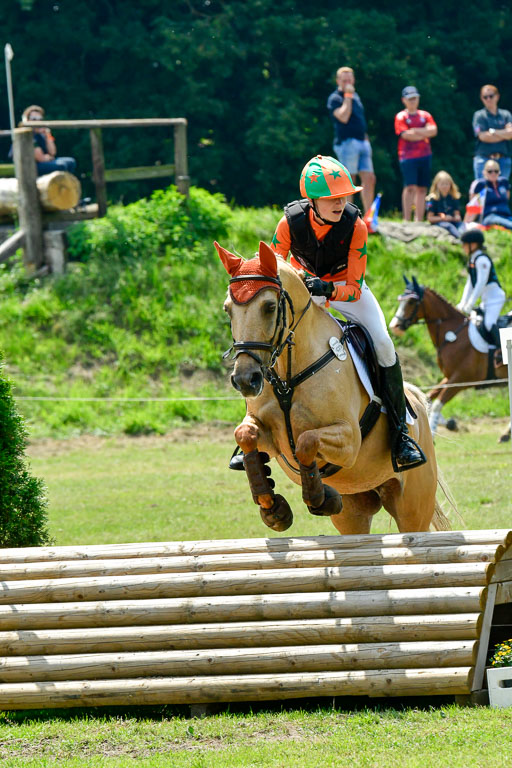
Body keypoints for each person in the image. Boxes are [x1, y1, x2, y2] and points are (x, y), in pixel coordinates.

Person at [270, 154, 426, 471]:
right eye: (332, 198)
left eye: (344, 196)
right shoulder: (288, 223)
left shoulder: (356, 226)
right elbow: (275, 267)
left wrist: (328, 290)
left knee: (383, 342)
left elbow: (354, 287)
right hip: (305, 290)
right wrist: (300, 285)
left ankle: (399, 436)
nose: (340, 203)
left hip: (344, 290)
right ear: (312, 200)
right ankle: (252, 427)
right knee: (267, 337)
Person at [326, 67, 376, 213]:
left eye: (350, 79)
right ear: (338, 81)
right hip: (346, 143)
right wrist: (347, 95)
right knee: (349, 180)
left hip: (362, 142)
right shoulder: (335, 98)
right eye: (344, 80)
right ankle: (349, 214)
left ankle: (368, 216)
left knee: (369, 178)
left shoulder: (356, 96)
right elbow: (343, 116)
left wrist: (366, 138)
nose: (348, 82)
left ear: (353, 80)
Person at [457, 229, 505, 354]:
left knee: (489, 324)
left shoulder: (482, 260)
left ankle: (503, 352)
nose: (463, 247)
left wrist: (470, 305)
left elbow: (480, 284)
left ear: (473, 244)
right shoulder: (472, 260)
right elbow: (470, 284)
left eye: (464, 244)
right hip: (486, 300)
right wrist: (462, 304)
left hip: (495, 299)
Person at [394, 86, 438, 222]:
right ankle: (407, 219)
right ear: (404, 100)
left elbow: (433, 131)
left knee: (422, 188)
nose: (413, 101)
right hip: (407, 156)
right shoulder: (401, 116)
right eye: (410, 99)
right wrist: (423, 132)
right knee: (410, 186)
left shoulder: (425, 115)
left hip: (425, 155)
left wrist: (415, 131)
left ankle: (419, 219)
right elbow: (406, 135)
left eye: (415, 98)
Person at [21, 105, 76, 176]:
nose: (37, 121)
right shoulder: (27, 135)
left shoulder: (41, 134)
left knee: (71, 162)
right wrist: (47, 158)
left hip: (42, 162)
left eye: (40, 119)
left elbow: (53, 152)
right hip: (29, 166)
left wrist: (47, 134)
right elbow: (40, 158)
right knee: (61, 166)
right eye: (34, 119)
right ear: (27, 120)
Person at [472, 85, 512, 181]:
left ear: (497, 96)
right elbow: (483, 137)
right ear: (482, 98)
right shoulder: (479, 116)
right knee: (482, 191)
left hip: (503, 160)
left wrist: (493, 132)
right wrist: (503, 134)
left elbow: (510, 134)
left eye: (491, 96)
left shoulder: (506, 115)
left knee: (501, 193)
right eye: (485, 97)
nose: (488, 99)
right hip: (483, 159)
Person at [469, 159, 512, 230]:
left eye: (496, 171)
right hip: (489, 216)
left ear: (499, 172)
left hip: (506, 215)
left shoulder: (504, 182)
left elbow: (507, 199)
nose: (493, 173)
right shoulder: (480, 185)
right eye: (490, 171)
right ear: (484, 172)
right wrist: (468, 222)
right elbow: (473, 206)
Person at [425, 171, 463, 238]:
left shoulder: (454, 197)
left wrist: (457, 217)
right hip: (439, 222)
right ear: (436, 185)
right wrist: (443, 218)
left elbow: (457, 214)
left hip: (452, 221)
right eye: (442, 184)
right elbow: (430, 218)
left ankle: (471, 239)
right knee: (449, 226)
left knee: (461, 225)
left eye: (447, 184)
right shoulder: (432, 199)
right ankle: (462, 239)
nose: (445, 186)